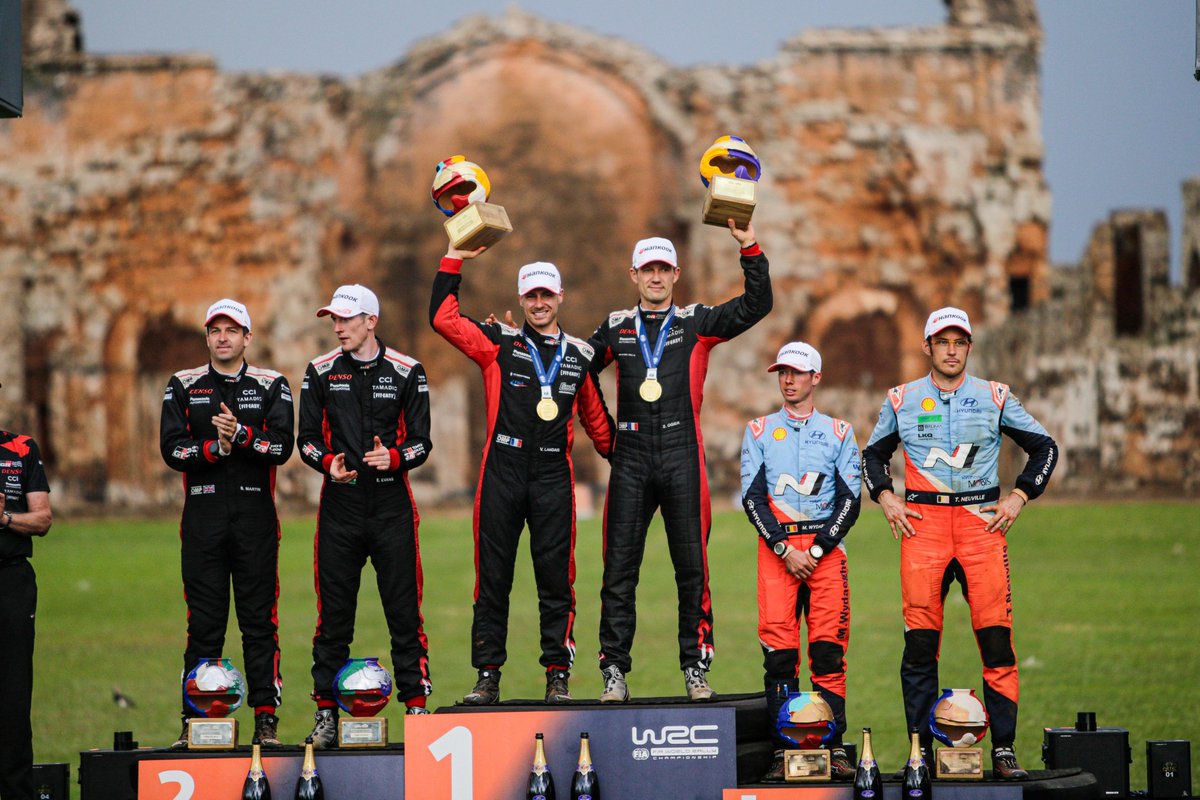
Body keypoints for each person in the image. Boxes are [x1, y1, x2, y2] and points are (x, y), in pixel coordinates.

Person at [862, 307, 1057, 780]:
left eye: (960, 342)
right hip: (922, 527)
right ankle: (919, 752)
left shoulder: (994, 396)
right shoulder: (901, 398)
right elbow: (872, 455)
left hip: (980, 526)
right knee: (920, 647)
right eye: (942, 341)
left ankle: (1004, 749)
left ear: (969, 346)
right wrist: (886, 497)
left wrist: (1018, 496)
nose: (952, 350)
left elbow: (1044, 447)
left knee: (996, 642)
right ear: (927, 346)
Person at [589, 220, 772, 702]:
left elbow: (757, 305)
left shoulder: (696, 322)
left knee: (692, 568)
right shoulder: (615, 327)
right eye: (647, 269)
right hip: (629, 459)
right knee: (618, 569)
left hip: (681, 456)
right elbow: (574, 372)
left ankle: (695, 667)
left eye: (663, 269)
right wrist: (605, 437)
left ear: (676, 273)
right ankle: (614, 672)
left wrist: (747, 245)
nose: (655, 277)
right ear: (634, 275)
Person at [430, 248, 614, 704]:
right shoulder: (498, 341)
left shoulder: (580, 355)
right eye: (531, 295)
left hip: (554, 474)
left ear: (560, 297)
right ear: (521, 297)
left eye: (546, 294)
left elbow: (599, 425)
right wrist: (454, 257)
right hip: (502, 472)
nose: (538, 303)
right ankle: (487, 676)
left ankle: (557, 675)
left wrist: (635, 464)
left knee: (556, 581)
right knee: (492, 579)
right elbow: (442, 318)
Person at [298, 284, 433, 747]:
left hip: (392, 506)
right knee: (334, 616)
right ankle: (325, 713)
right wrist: (326, 462)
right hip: (341, 507)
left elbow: (421, 441)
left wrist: (394, 459)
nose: (338, 327)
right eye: (333, 319)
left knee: (403, 610)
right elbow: (307, 438)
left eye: (346, 319)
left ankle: (416, 706)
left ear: (370, 321)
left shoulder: (408, 370)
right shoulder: (319, 372)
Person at [160, 299, 294, 748]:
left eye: (231, 330)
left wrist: (240, 436)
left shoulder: (272, 384)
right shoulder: (183, 384)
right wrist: (213, 450)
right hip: (202, 517)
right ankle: (197, 718)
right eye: (214, 330)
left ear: (247, 338)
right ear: (207, 337)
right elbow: (171, 449)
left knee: (259, 622)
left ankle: (266, 720)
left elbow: (281, 447)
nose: (222, 337)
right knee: (204, 623)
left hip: (256, 517)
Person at [740, 342, 860, 781]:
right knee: (779, 657)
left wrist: (814, 550)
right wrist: (783, 548)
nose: (788, 380)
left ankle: (833, 745)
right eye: (782, 372)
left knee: (828, 653)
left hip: (825, 555)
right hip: (777, 552)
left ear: (816, 378)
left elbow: (851, 501)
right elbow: (751, 499)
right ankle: (782, 748)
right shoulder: (757, 430)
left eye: (797, 372)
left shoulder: (840, 432)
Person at [0, 379, 52, 800]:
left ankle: (18, 792)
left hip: (11, 579)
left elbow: (43, 520)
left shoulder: (20, 449)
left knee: (14, 697)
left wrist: (4, 521)